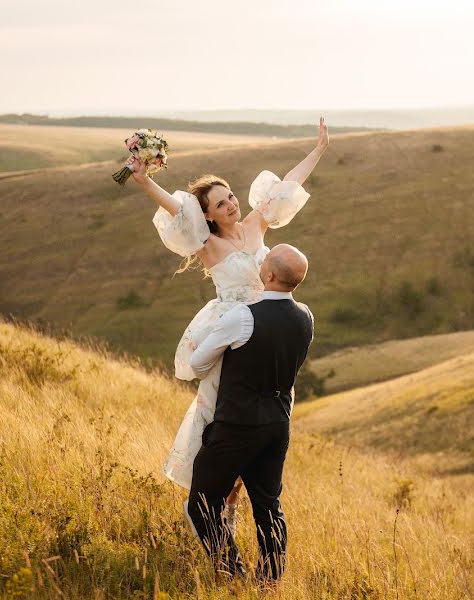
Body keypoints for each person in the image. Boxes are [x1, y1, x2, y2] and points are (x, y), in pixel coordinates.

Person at [125, 118, 328, 531]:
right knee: (225, 420)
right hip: (232, 331)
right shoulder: (208, 244)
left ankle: (230, 507)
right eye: (221, 203)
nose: (232, 204)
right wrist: (144, 181)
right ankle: (207, 503)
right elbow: (174, 207)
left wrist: (319, 149)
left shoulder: (257, 224)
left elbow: (287, 184)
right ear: (208, 216)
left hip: (268, 330)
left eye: (231, 196)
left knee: (263, 415)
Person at [184, 244, 314, 581]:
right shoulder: (305, 317)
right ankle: (269, 582)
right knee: (269, 506)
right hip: (278, 425)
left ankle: (233, 574)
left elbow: (197, 366)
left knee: (201, 503)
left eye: (265, 262)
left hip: (237, 426)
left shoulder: (244, 316)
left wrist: (201, 348)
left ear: (269, 275)